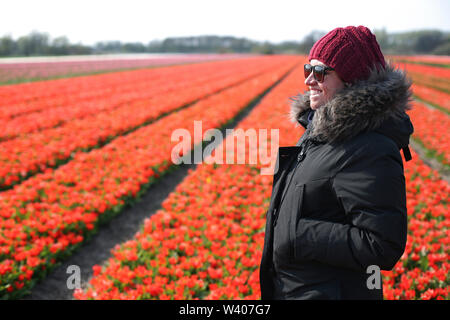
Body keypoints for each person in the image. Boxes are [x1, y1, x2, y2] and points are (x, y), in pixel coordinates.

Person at [259, 25, 414, 300]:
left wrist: (299, 233)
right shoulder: (319, 133)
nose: (309, 80)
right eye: (308, 69)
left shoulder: (370, 147)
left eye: (320, 72)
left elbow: (382, 244)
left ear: (352, 78)